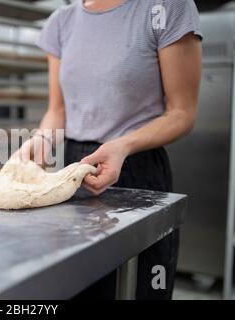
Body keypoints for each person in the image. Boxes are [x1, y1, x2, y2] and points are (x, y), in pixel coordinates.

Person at [14, 0, 202, 299]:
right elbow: (58, 110)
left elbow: (182, 113)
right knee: (79, 286)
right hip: (73, 173)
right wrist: (42, 138)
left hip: (137, 170)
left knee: (139, 287)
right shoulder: (62, 21)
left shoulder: (167, 7)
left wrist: (123, 144)